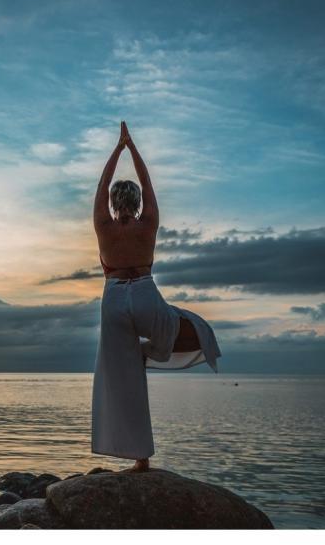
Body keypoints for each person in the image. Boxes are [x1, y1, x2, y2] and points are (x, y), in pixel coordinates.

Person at [91, 121, 222, 473]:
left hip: (114, 297)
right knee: (176, 326)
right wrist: (132, 148)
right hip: (146, 292)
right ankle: (157, 351)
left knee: (124, 377)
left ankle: (140, 457)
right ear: (135, 202)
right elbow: (147, 184)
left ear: (114, 203)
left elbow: (102, 186)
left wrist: (116, 149)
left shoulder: (103, 227)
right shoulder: (147, 223)